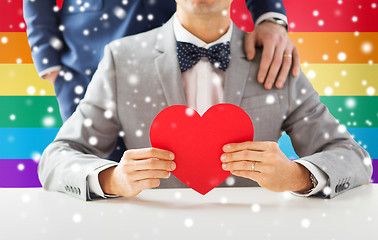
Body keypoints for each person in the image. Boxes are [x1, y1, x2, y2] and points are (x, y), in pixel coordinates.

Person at [39, 0, 372, 201]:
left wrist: (297, 175)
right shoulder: (121, 60)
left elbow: (355, 158)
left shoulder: (274, 60)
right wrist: (111, 179)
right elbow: (56, 158)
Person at [23, 0, 299, 122]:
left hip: (187, 42)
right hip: (87, 56)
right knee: (95, 175)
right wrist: (49, 61)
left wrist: (270, 17)